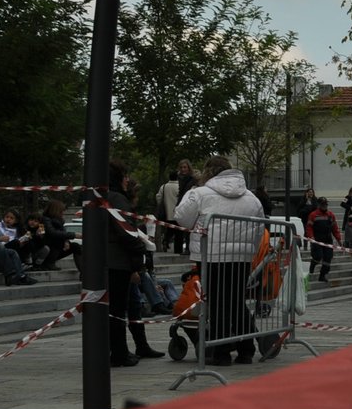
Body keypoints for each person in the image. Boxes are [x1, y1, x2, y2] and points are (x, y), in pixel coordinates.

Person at [173, 154, 267, 367]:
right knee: (236, 302)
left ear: (208, 171)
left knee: (216, 304)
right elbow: (260, 228)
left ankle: (221, 352)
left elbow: (181, 218)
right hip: (241, 257)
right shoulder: (251, 197)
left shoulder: (199, 193)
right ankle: (246, 350)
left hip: (211, 256)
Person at [105, 159, 155, 367]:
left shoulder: (101, 197)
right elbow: (126, 231)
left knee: (114, 310)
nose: (127, 180)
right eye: (124, 176)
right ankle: (119, 353)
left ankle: (120, 350)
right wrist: (140, 251)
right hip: (117, 261)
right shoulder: (116, 199)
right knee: (117, 310)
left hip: (108, 260)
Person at [305, 196, 341, 282]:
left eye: (326, 204)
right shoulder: (313, 215)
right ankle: (313, 263)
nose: (325, 206)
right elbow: (309, 228)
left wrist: (339, 240)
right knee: (318, 256)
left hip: (328, 240)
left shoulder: (331, 215)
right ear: (319, 205)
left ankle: (322, 275)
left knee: (328, 259)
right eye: (323, 204)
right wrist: (311, 237)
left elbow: (335, 229)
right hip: (317, 240)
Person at [39, 199, 81, 270]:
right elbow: (52, 233)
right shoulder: (45, 219)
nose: (63, 213)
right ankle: (48, 263)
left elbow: (63, 232)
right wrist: (74, 235)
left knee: (76, 246)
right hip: (49, 247)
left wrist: (66, 241)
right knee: (57, 240)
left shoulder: (59, 221)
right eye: (61, 211)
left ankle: (83, 272)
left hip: (57, 248)